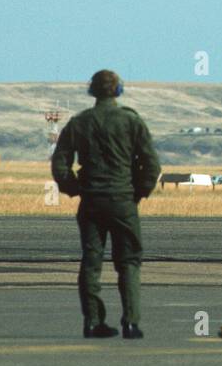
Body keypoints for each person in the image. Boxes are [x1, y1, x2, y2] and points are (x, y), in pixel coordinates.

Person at [51, 70, 161, 339]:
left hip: (91, 201)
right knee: (129, 262)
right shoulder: (131, 121)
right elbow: (152, 164)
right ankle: (131, 322)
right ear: (119, 90)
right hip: (123, 200)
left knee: (91, 261)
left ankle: (92, 321)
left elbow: (59, 163)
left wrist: (75, 188)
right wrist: (139, 192)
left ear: (92, 91)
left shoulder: (79, 123)